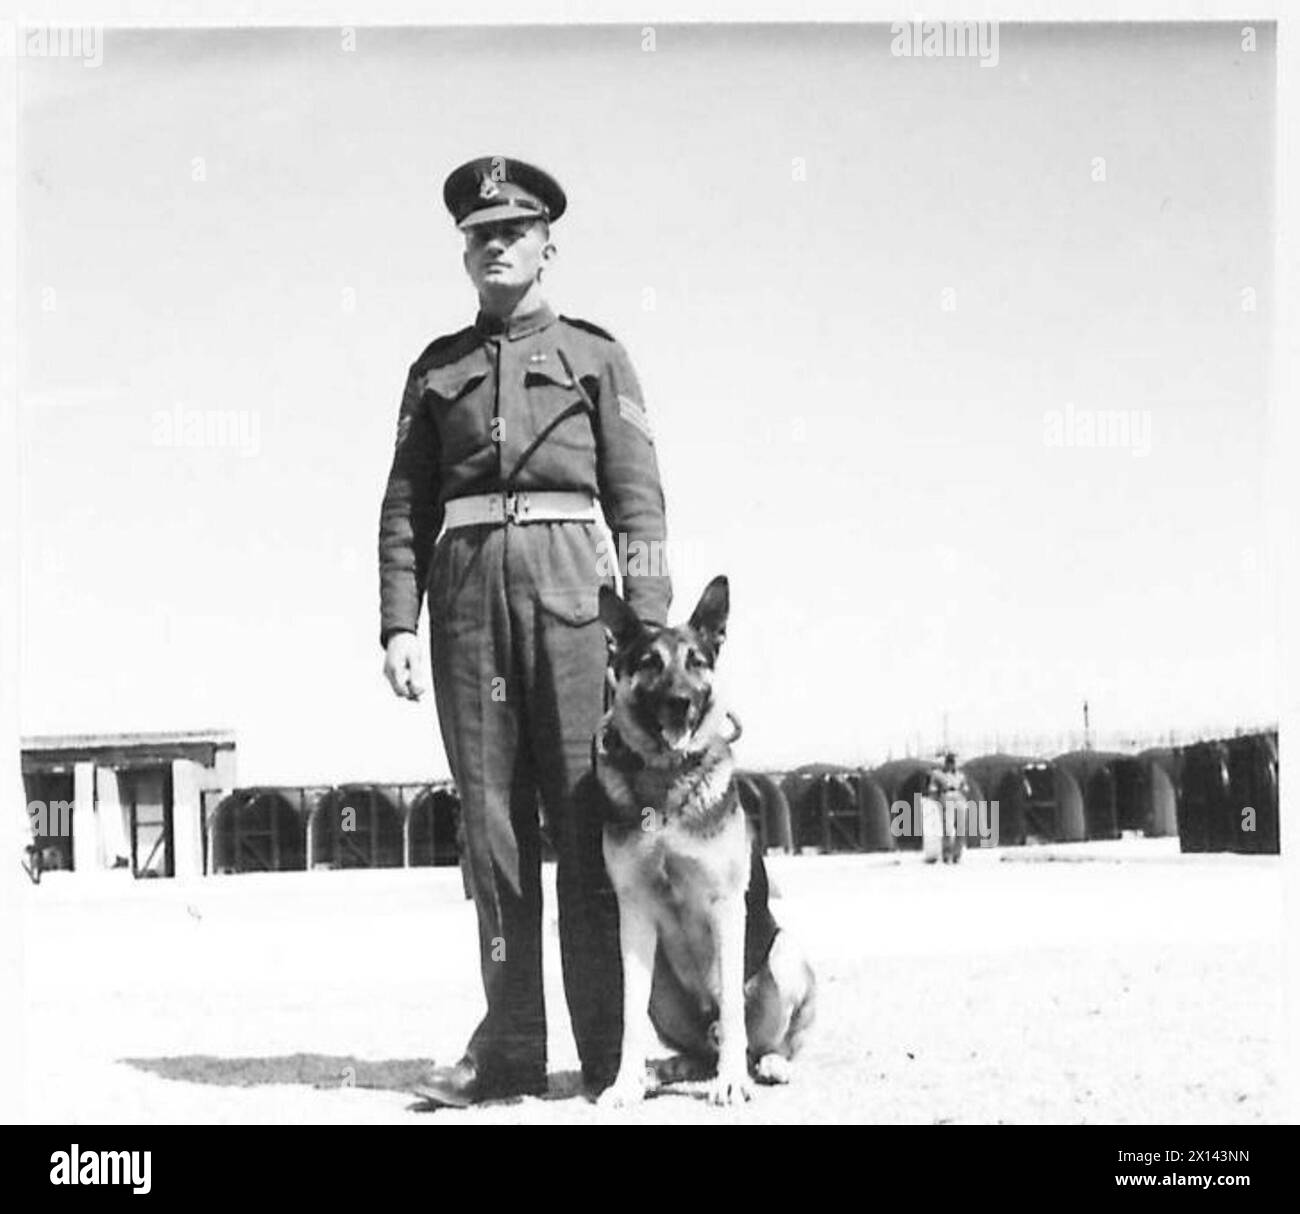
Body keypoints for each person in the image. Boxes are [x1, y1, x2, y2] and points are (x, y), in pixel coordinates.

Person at [378, 156, 671, 1106]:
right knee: (490, 828)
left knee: (589, 819)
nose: (495, 244)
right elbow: (404, 506)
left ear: (550, 243)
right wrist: (398, 624)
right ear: (464, 252)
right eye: (479, 234)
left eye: (513, 229)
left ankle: (604, 1054)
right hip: (466, 607)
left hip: (574, 605)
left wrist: (654, 633)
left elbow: (638, 503)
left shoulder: (596, 355)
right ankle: (507, 1051)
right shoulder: (436, 370)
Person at [927, 751, 970, 864]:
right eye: (948, 762)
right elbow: (932, 789)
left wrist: (963, 792)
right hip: (946, 797)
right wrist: (937, 797)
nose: (950, 765)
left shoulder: (960, 775)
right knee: (948, 828)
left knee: (961, 828)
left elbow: (965, 788)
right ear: (945, 763)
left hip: (959, 798)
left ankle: (957, 855)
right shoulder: (938, 774)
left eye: (952, 762)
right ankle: (946, 854)